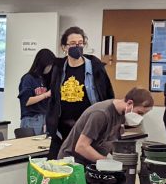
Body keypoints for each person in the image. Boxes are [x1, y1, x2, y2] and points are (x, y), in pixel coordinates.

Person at [45, 26, 115, 158]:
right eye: (72, 44)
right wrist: (50, 123)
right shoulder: (58, 69)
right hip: (62, 131)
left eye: (80, 43)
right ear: (64, 47)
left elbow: (108, 96)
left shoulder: (96, 68)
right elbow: (54, 99)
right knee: (55, 167)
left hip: (88, 131)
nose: (77, 46)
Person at [58, 87, 154, 164]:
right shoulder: (101, 114)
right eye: (139, 113)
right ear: (129, 103)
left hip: (88, 161)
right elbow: (81, 147)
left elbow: (111, 140)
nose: (139, 117)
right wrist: (107, 162)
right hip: (71, 162)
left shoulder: (121, 114)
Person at [17, 48, 54, 134]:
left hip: (44, 118)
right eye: (49, 65)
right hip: (31, 119)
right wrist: (46, 95)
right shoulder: (28, 78)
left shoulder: (45, 79)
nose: (50, 68)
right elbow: (26, 101)